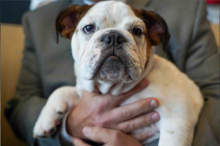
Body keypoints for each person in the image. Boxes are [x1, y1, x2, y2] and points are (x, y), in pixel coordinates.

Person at [4, 0, 219, 146]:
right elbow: (20, 105)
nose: (113, 42)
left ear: (154, 33)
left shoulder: (187, 7)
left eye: (135, 31)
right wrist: (69, 127)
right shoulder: (38, 19)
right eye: (89, 29)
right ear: (69, 28)